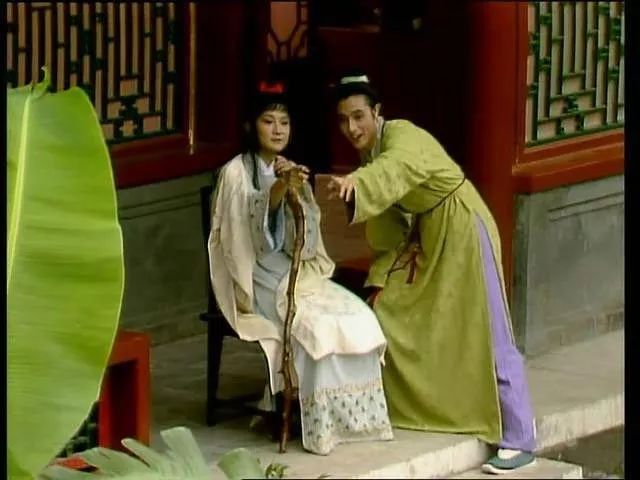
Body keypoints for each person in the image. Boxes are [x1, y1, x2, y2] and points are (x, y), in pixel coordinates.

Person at [327, 73, 537, 474]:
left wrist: (359, 181)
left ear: (377, 113)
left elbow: (395, 168)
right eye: (343, 120)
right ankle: (438, 407)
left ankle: (520, 436)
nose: (352, 128)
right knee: (394, 311)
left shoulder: (401, 136)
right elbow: (390, 222)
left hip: (463, 227)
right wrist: (384, 274)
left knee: (489, 328)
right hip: (430, 237)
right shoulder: (371, 156)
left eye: (358, 116)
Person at [207, 81, 394, 456]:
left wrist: (296, 191)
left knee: (356, 315)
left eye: (284, 122)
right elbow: (248, 238)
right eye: (268, 121)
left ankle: (354, 420)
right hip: (254, 275)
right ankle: (320, 424)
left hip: (294, 270)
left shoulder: (289, 168)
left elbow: (304, 238)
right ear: (251, 126)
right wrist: (277, 191)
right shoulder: (235, 173)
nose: (278, 130)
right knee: (317, 327)